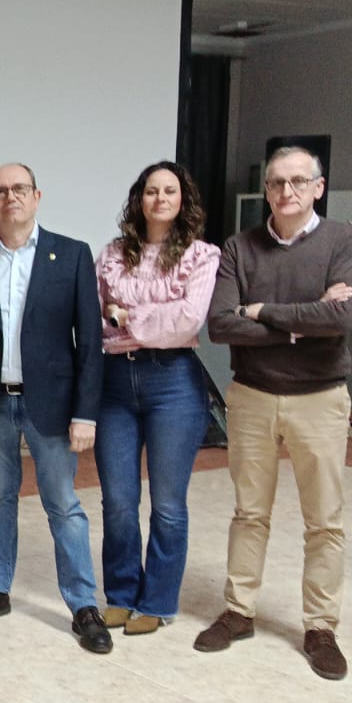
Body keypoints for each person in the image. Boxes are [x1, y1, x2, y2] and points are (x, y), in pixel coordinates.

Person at [200, 145, 352, 680]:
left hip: (320, 397)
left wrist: (262, 312)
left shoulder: (345, 241)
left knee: (324, 520)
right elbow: (221, 325)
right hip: (251, 395)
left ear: (319, 187)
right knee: (249, 512)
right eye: (276, 182)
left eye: (298, 181)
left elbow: (342, 317)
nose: (286, 191)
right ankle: (239, 611)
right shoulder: (239, 247)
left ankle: (321, 627)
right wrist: (299, 326)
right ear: (266, 190)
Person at [0, 163, 111, 654]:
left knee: (63, 504)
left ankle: (83, 605)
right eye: (0, 192)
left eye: (20, 188)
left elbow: (90, 341)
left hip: (54, 406)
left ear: (37, 197)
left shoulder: (72, 254)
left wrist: (85, 413)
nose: (11, 197)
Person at [93, 162, 220, 636]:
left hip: (174, 384)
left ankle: (159, 601)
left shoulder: (202, 256)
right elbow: (95, 317)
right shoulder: (111, 254)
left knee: (167, 504)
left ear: (182, 200)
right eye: (151, 191)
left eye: (170, 191)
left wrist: (126, 317)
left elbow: (187, 321)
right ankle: (121, 595)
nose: (160, 198)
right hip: (114, 384)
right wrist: (134, 319)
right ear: (139, 199)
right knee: (118, 502)